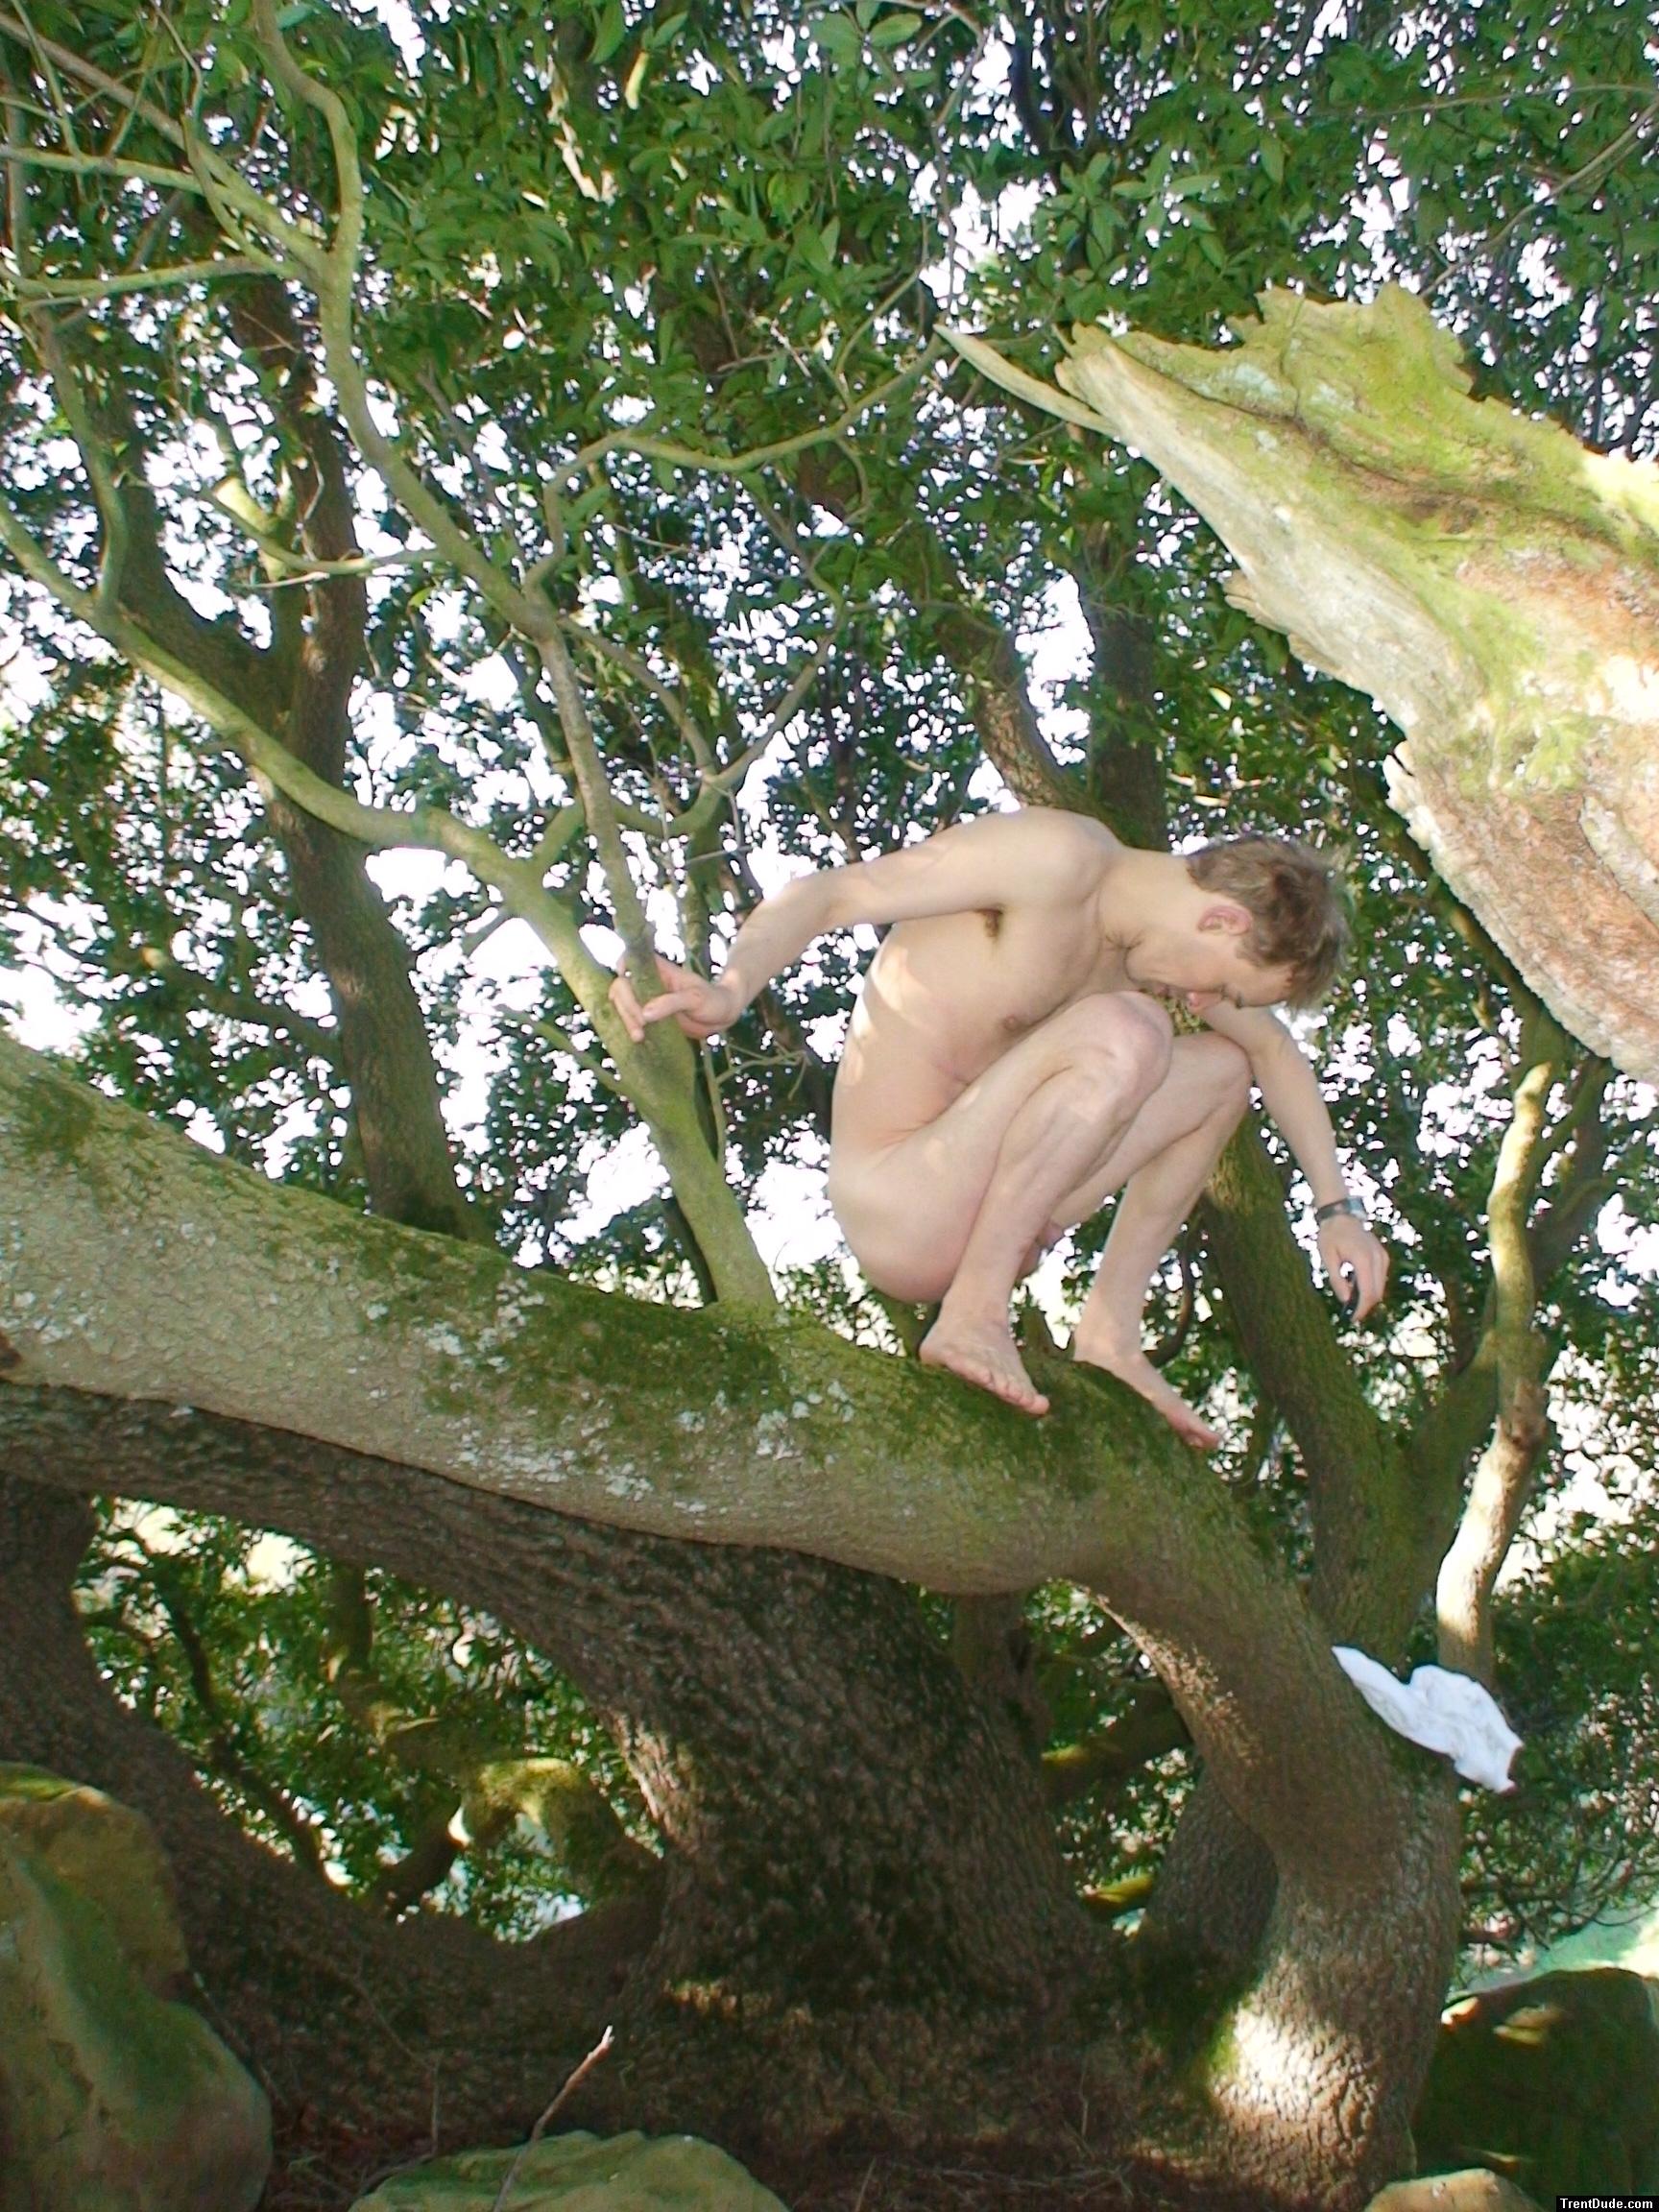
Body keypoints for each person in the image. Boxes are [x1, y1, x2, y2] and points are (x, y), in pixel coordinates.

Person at [609, 807, 1387, 1444]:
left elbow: (1274, 1054)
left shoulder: (1144, 958)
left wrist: (1338, 1211)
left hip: (998, 1206)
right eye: (1227, 987)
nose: (1205, 1001)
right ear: (1220, 920)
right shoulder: (1055, 860)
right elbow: (836, 894)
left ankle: (1110, 1336)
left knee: (1223, 1070)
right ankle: (973, 1316)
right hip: (902, 1201)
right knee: (1133, 1031)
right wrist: (731, 989)